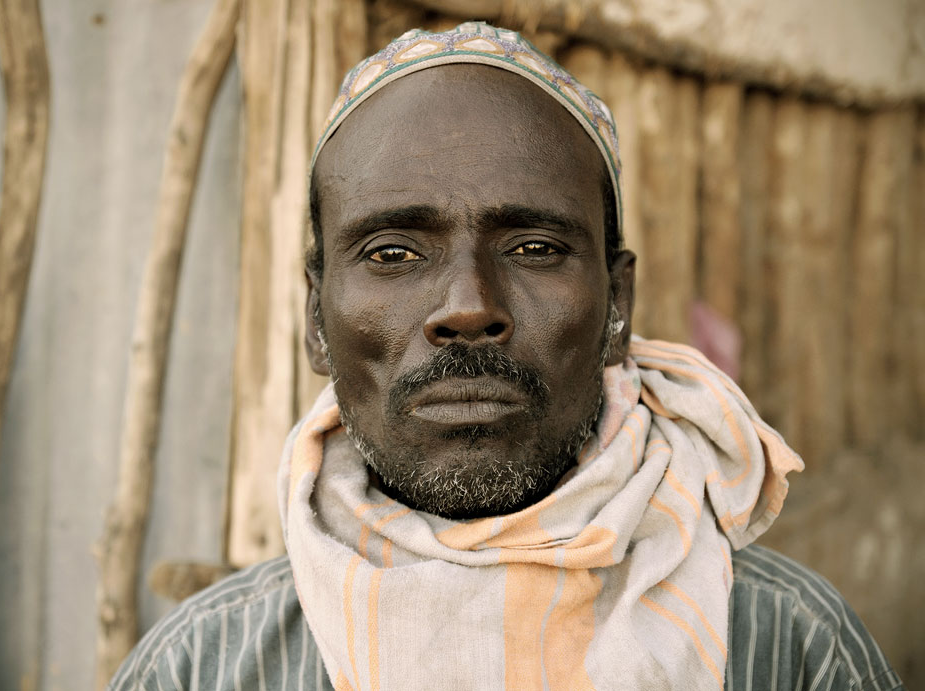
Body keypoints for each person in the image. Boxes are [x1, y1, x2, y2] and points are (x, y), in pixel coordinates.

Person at [109, 23, 902, 691]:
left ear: (616, 306)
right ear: (317, 319)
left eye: (532, 246)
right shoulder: (201, 667)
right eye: (391, 252)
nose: (468, 306)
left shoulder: (790, 651)